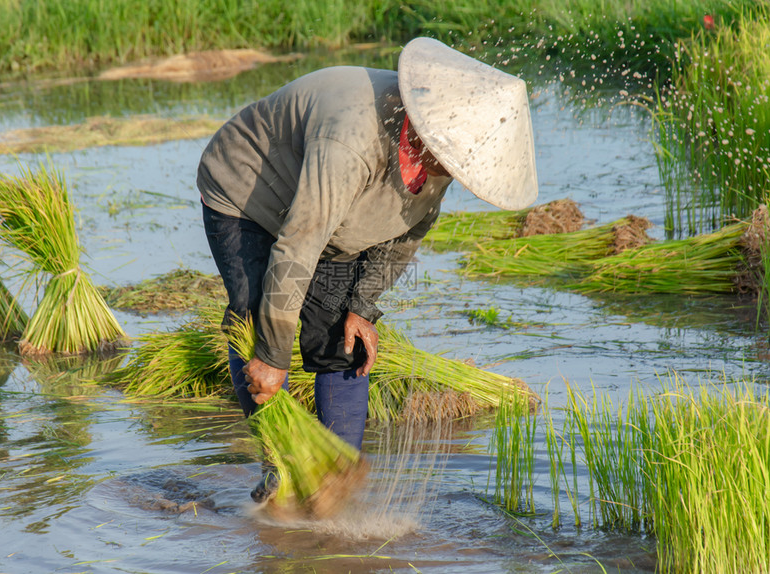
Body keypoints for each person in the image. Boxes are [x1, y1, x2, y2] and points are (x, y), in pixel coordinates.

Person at [196, 37, 538, 502]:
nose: (456, 173)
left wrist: (361, 304)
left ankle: (332, 483)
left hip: (332, 213)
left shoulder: (443, 154)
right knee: (258, 320)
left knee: (342, 339)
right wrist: (274, 358)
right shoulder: (352, 139)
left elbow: (407, 232)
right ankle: (279, 475)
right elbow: (299, 244)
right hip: (251, 192)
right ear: (427, 131)